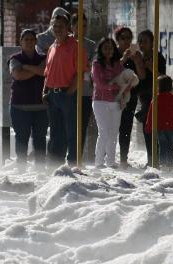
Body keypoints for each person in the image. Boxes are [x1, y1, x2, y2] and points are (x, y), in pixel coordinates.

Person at [43, 14, 81, 165]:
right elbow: (47, 72)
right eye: (55, 26)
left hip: (67, 94)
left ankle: (72, 164)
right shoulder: (52, 47)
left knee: (71, 132)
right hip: (52, 95)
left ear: (68, 28)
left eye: (61, 26)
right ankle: (55, 165)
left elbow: (80, 71)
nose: (57, 29)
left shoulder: (75, 46)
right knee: (55, 133)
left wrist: (71, 90)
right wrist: (44, 91)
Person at [9, 29, 47, 168]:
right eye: (26, 40)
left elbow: (45, 72)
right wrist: (36, 70)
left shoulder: (43, 58)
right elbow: (18, 75)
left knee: (40, 139)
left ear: (36, 41)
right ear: (21, 42)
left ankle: (40, 168)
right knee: (21, 139)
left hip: (41, 107)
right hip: (20, 106)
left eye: (32, 40)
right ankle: (21, 168)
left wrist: (26, 67)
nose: (29, 42)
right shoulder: (15, 59)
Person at [134, 29, 166, 167]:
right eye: (140, 41)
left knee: (152, 128)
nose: (142, 44)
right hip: (144, 96)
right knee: (147, 129)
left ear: (152, 43)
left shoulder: (158, 57)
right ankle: (151, 158)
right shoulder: (139, 57)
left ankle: (156, 159)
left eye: (145, 41)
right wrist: (139, 63)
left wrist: (151, 67)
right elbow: (141, 77)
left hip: (156, 95)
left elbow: (162, 77)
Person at [91, 37, 125, 169]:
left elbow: (124, 81)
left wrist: (121, 93)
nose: (108, 50)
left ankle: (110, 161)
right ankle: (99, 161)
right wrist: (115, 86)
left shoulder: (118, 65)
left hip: (116, 101)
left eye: (111, 48)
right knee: (104, 131)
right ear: (100, 49)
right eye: (105, 47)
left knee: (114, 132)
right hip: (100, 101)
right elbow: (100, 84)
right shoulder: (96, 64)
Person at [115, 26, 143, 168]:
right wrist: (123, 58)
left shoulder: (135, 56)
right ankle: (108, 157)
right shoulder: (112, 54)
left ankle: (123, 159)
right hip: (113, 97)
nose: (126, 41)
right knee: (112, 127)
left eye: (128, 38)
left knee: (126, 127)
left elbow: (141, 76)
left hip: (130, 97)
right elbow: (110, 73)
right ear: (117, 40)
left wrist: (137, 61)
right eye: (123, 38)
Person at [71, 13, 97, 163]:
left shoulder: (91, 45)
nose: (82, 29)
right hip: (69, 90)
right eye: (79, 26)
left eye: (85, 26)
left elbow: (91, 66)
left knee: (82, 127)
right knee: (69, 126)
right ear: (72, 27)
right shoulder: (66, 43)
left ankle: (78, 159)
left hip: (86, 91)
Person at [145, 75, 173, 171]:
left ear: (159, 87)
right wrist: (172, 119)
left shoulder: (156, 99)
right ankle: (170, 165)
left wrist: (148, 126)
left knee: (162, 145)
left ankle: (163, 164)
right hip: (171, 126)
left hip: (160, 126)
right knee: (170, 146)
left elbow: (151, 114)